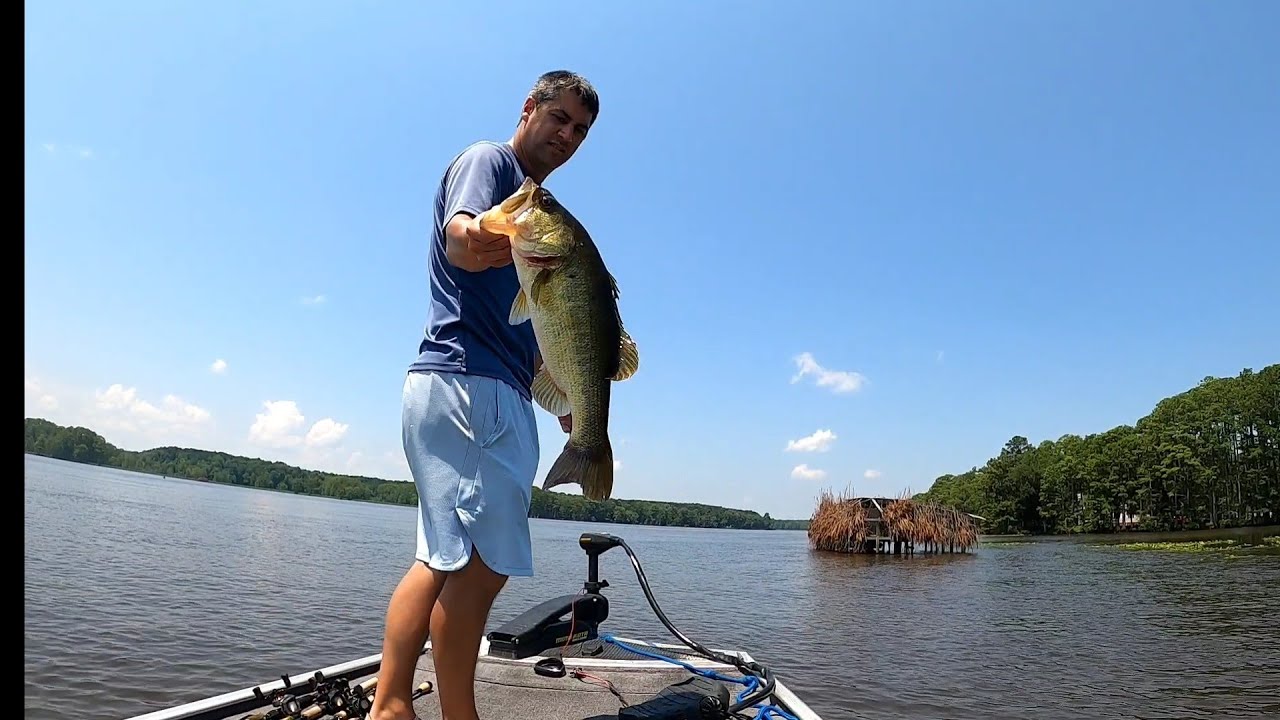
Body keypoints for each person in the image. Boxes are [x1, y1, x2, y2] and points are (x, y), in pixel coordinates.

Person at [368, 70, 600, 720]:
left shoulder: (531, 216)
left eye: (581, 131)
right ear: (529, 108)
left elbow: (530, 335)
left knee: (476, 566)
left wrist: (569, 401)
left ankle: (442, 709)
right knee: (447, 559)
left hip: (488, 388)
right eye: (560, 119)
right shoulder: (490, 162)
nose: (569, 136)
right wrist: (502, 238)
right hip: (466, 385)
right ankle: (392, 705)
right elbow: (461, 240)